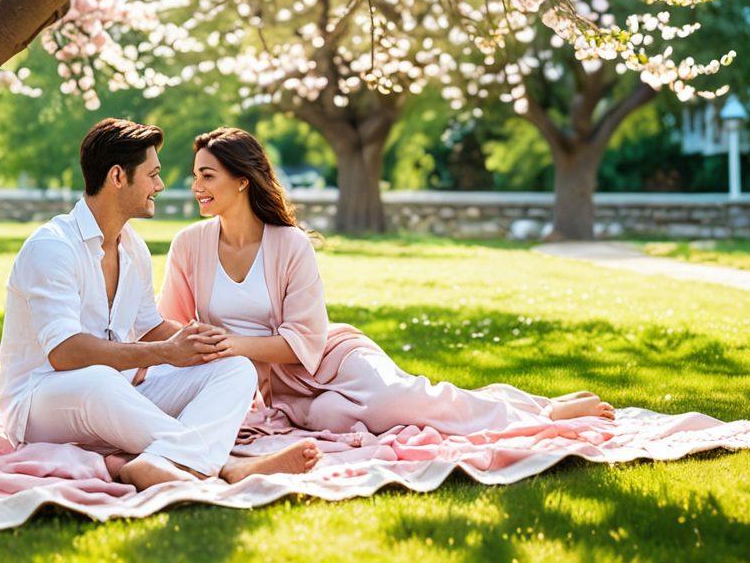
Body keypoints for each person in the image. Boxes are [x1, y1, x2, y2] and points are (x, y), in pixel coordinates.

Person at [158, 126, 616, 437]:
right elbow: (171, 327)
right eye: (195, 174)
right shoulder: (189, 245)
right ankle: (499, 405)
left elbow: (305, 339)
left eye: (207, 175)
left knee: (397, 401)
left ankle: (539, 410)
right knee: (336, 418)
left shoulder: (290, 245)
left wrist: (232, 345)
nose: (195, 185)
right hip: (282, 391)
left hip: (332, 359)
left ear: (241, 181)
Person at [0, 118, 320, 491]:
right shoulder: (53, 247)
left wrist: (201, 342)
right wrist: (164, 352)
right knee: (98, 380)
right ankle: (228, 465)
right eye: (152, 175)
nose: (160, 186)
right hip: (40, 400)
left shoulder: (133, 248)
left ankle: (152, 462)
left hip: (120, 392)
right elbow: (65, 353)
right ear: (118, 177)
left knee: (234, 368)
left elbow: (151, 325)